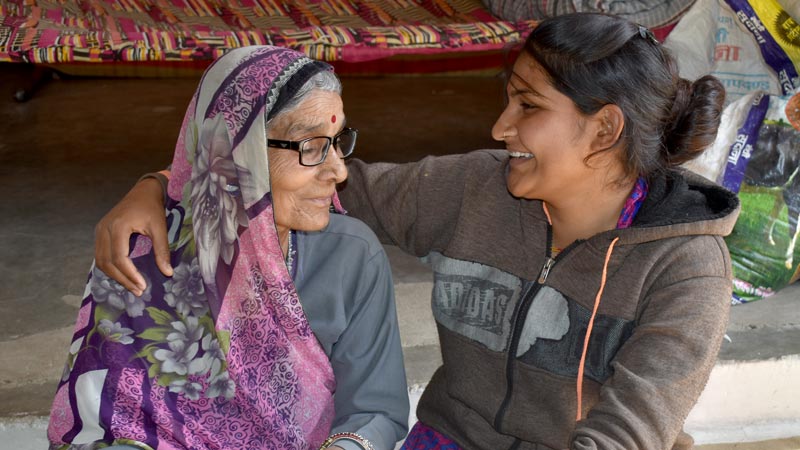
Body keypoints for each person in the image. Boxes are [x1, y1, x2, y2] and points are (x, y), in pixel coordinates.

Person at [92, 13, 739, 450]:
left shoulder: (684, 270)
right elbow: (305, 176)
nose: (500, 127)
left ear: (603, 130)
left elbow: (623, 439)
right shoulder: (473, 189)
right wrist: (161, 182)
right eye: (507, 97)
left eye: (528, 107)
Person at [48, 46, 408, 450]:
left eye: (339, 140)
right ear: (240, 150)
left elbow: (374, 411)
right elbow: (109, 422)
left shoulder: (351, 257)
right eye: (309, 146)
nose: (338, 169)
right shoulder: (143, 258)